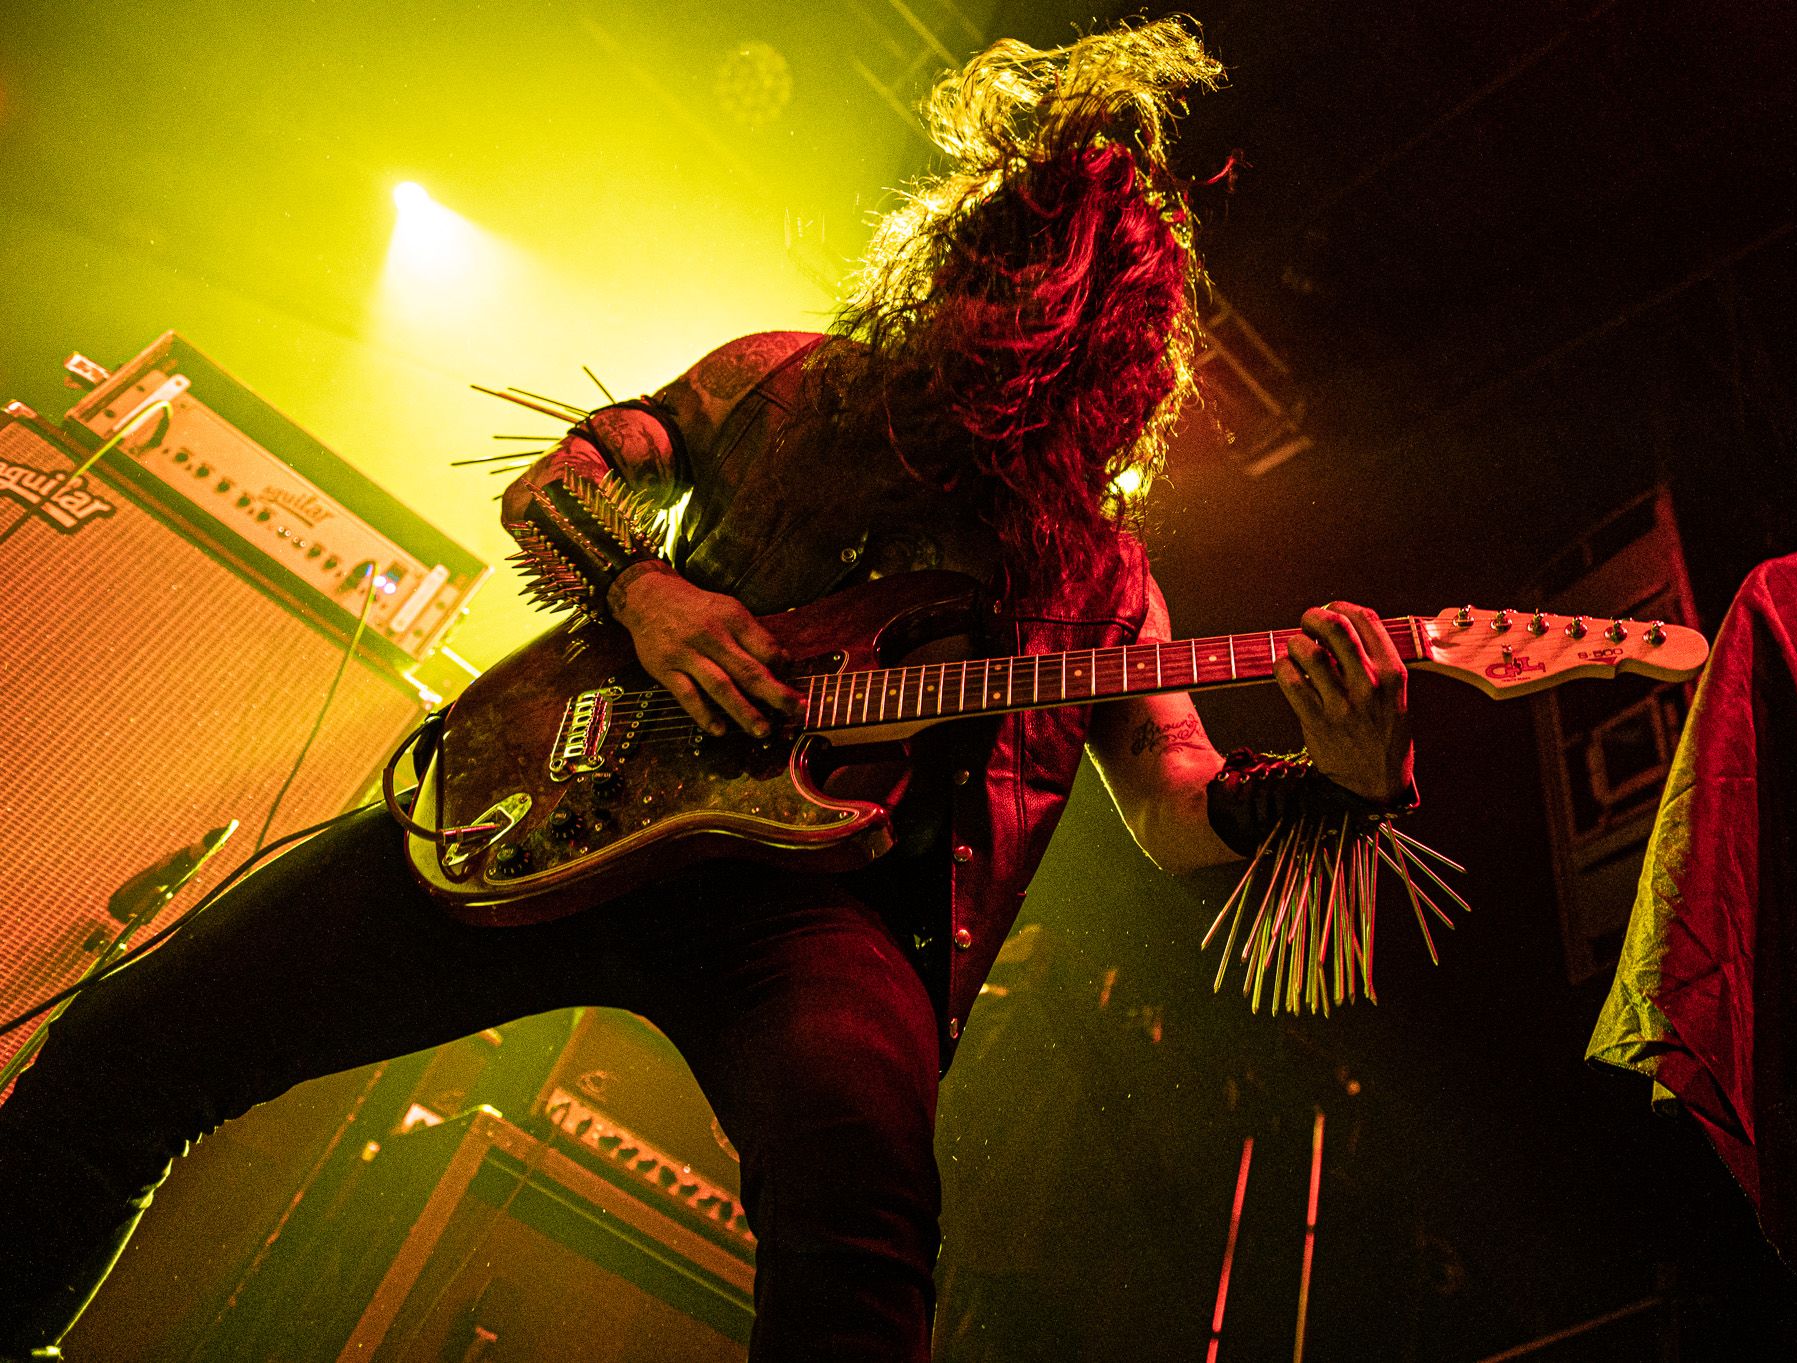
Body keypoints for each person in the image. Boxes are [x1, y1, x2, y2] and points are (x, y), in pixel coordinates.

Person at [0, 19, 1414, 1361]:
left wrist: (1341, 777)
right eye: (978, 264)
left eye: (1024, 293)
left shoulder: (1100, 579)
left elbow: (1173, 804)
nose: (980, 308)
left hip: (817, 912)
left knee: (861, 1239)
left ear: (1096, 348)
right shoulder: (778, 381)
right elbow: (555, 485)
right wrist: (646, 593)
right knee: (137, 1039)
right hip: (570, 795)